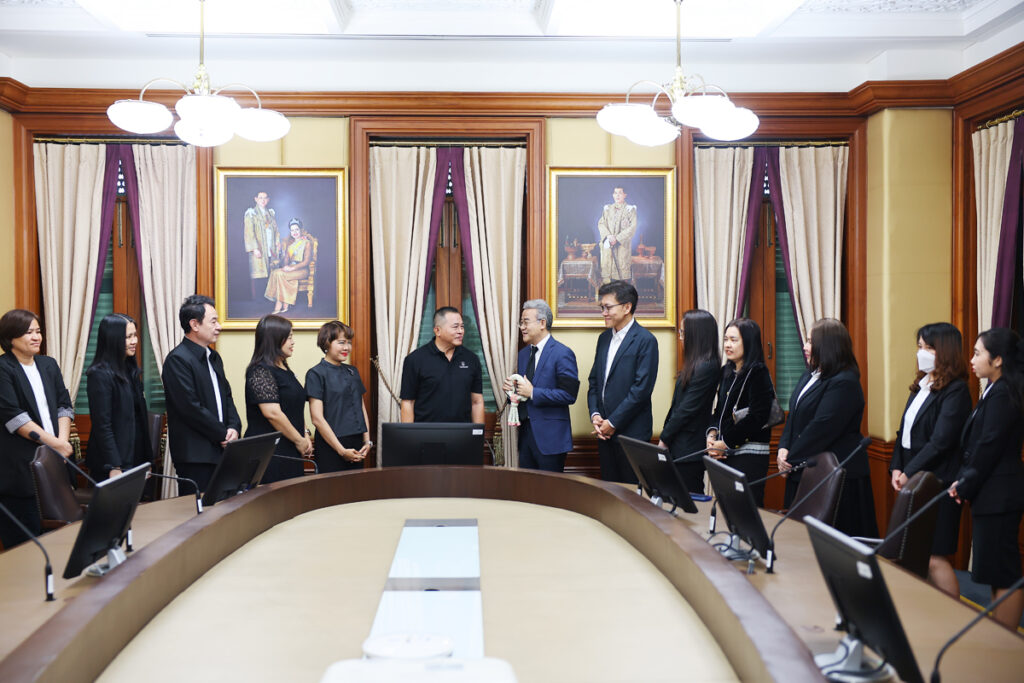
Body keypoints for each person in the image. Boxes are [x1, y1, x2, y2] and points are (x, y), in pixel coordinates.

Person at [889, 323, 971, 597]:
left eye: (928, 348)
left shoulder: (956, 390)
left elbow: (941, 441)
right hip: (913, 478)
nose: (921, 353)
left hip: (938, 481)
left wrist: (908, 472)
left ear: (945, 352)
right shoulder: (921, 385)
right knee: (914, 554)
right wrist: (896, 467)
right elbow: (903, 433)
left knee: (935, 557)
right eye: (920, 346)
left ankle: (956, 615)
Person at [950, 328, 1024, 630]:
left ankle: (1005, 642)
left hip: (1000, 493)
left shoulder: (1004, 392)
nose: (972, 359)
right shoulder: (994, 389)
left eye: (978, 353)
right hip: (991, 492)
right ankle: (999, 633)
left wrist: (965, 482)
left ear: (998, 360)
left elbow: (989, 445)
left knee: (1004, 573)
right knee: (995, 571)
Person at [778, 318, 877, 536]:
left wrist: (790, 459)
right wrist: (783, 448)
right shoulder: (810, 374)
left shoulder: (845, 381)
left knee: (830, 545)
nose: (805, 347)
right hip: (804, 468)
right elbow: (793, 416)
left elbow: (822, 428)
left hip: (835, 476)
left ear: (828, 346)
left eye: (810, 342)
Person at [0, 309, 74, 549]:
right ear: (11, 337)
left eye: (38, 331)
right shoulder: (3, 368)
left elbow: (64, 405)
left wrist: (62, 442)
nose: (36, 337)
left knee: (57, 540)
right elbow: (15, 419)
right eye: (28, 332)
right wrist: (56, 445)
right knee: (25, 544)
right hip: (19, 470)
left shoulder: (48, 364)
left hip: (54, 464)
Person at [162, 295, 242, 494]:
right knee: (199, 511)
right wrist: (222, 434)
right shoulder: (177, 360)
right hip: (196, 456)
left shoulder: (213, 357)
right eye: (213, 322)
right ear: (194, 325)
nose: (219, 327)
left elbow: (227, 397)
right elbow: (190, 408)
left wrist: (234, 427)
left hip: (222, 450)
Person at [587, 280, 658, 483]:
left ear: (627, 307)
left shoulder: (645, 340)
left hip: (632, 435)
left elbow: (641, 390)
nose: (604, 313)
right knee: (610, 492)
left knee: (630, 494)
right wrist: (596, 415)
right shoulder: (603, 339)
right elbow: (594, 382)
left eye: (608, 307)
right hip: (604, 434)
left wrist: (613, 422)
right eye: (602, 307)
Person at [502, 299, 579, 472]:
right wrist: (512, 391)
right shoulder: (523, 355)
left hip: (551, 439)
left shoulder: (562, 353)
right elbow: (522, 393)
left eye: (525, 322)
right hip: (525, 437)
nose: (522, 327)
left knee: (551, 488)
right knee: (528, 486)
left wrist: (533, 392)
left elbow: (569, 395)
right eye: (521, 323)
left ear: (542, 323)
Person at [706, 318, 773, 506]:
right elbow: (719, 411)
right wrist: (712, 435)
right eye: (726, 339)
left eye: (734, 340)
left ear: (749, 342)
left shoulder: (758, 372)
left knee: (746, 509)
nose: (728, 345)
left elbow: (758, 417)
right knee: (726, 509)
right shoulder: (726, 371)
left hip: (749, 456)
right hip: (725, 454)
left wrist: (725, 442)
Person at [658, 309, 721, 494]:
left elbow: (686, 409)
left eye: (683, 333)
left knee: (690, 501)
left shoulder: (707, 366)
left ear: (696, 335)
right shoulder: (696, 363)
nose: (680, 337)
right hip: (680, 445)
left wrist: (664, 438)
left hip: (689, 448)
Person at [244, 314, 313, 483]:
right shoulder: (260, 370)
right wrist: (299, 440)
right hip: (269, 452)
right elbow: (272, 413)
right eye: (289, 337)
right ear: (274, 339)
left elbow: (294, 407)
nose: (293, 342)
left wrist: (305, 434)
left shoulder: (285, 369)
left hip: (290, 447)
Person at [85, 314, 150, 480]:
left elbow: (140, 419)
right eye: (128, 337)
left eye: (135, 335)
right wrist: (114, 465)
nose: (134, 341)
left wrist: (147, 460)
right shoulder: (99, 374)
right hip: (113, 463)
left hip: (135, 456)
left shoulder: (130, 370)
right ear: (113, 339)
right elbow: (102, 425)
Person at [306, 321, 371, 473]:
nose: (346, 347)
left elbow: (361, 407)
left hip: (357, 443)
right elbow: (317, 418)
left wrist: (367, 441)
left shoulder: (353, 371)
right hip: (331, 445)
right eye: (341, 342)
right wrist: (341, 451)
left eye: (349, 343)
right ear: (326, 343)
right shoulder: (316, 373)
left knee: (356, 486)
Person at [400, 307, 484, 424]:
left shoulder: (471, 359)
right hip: (426, 432)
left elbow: (477, 401)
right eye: (455, 327)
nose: (460, 331)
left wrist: (478, 433)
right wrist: (409, 434)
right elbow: (408, 402)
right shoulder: (415, 360)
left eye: (462, 326)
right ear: (437, 331)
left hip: (462, 432)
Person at [264, 218, 312, 314]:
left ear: (301, 230)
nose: (295, 232)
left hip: (302, 270)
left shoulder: (307, 243)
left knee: (279, 274)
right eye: (292, 230)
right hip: (291, 270)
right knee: (275, 272)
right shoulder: (290, 246)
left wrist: (292, 268)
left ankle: (279, 303)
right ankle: (285, 303)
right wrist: (283, 253)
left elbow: (306, 262)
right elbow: (285, 263)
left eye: (297, 229)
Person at [243, 190, 279, 299]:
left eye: (265, 198)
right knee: (260, 274)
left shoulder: (270, 213)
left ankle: (269, 297)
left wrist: (277, 242)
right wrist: (254, 248)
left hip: (270, 247)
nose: (263, 200)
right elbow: (249, 232)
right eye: (260, 198)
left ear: (268, 200)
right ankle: (259, 300)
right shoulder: (251, 213)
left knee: (271, 272)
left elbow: (276, 230)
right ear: (256, 199)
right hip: (259, 247)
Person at [597, 187, 637, 283]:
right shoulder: (607, 209)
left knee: (622, 276)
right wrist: (608, 236)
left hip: (622, 247)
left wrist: (617, 238)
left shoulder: (630, 210)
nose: (617, 195)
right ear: (613, 195)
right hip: (609, 245)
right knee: (608, 276)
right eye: (615, 193)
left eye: (620, 193)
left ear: (625, 195)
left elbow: (632, 227)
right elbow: (601, 224)